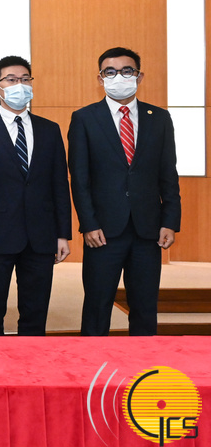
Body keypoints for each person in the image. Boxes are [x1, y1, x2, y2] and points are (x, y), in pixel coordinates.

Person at [70, 47, 180, 337]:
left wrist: (170, 221)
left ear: (139, 76)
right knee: (97, 305)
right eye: (110, 72)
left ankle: (142, 362)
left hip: (148, 230)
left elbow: (168, 175)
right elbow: (79, 179)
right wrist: (88, 224)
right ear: (100, 78)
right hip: (102, 231)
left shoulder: (160, 118)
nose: (119, 77)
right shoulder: (84, 118)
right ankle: (92, 363)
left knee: (144, 306)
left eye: (127, 71)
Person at [0, 56, 71, 336]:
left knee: (35, 311)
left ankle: (31, 361)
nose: (19, 85)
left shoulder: (50, 129)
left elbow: (59, 184)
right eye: (11, 80)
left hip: (40, 236)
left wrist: (63, 234)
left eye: (25, 79)